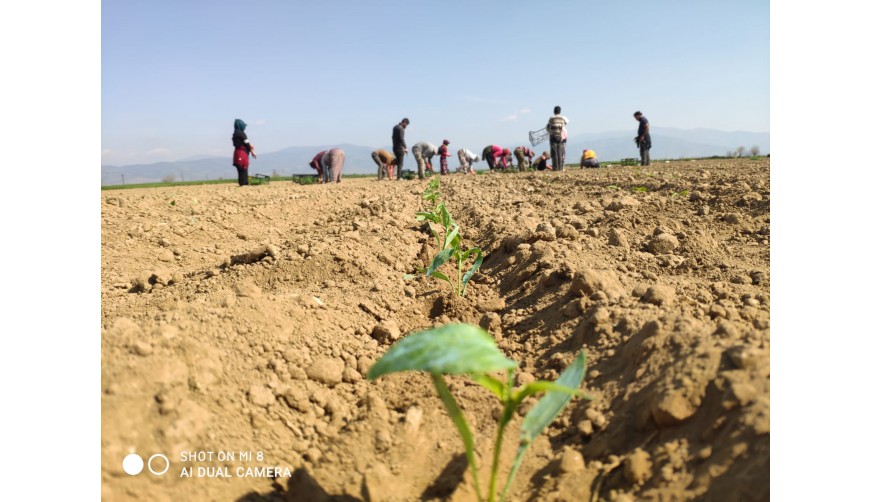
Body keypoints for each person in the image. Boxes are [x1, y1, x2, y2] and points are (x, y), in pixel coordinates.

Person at [231, 119, 257, 186]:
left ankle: (243, 184)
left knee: (240, 170)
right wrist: (252, 151)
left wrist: (250, 147)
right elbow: (247, 143)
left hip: (237, 153)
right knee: (243, 169)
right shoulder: (241, 133)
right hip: (242, 154)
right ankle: (244, 184)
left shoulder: (234, 134)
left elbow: (243, 143)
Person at [546, 106, 569, 171]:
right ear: (560, 111)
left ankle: (555, 168)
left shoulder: (551, 118)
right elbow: (562, 127)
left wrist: (550, 132)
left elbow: (547, 127)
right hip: (559, 136)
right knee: (559, 152)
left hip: (553, 136)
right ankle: (560, 168)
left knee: (554, 152)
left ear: (554, 111)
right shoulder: (562, 119)